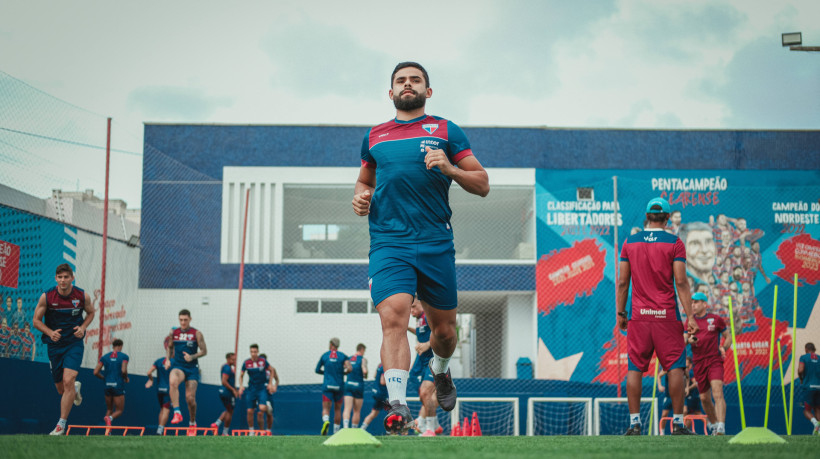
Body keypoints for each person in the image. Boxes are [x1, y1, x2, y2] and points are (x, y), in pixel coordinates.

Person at [352, 61, 489, 435]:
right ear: (391, 91)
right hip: (388, 241)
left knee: (444, 333)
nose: (407, 84)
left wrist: (451, 169)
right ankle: (397, 405)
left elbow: (482, 183)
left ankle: (441, 373)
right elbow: (365, 180)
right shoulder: (375, 136)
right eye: (401, 80)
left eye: (415, 80)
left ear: (428, 92)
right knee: (393, 317)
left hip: (434, 242)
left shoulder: (446, 130)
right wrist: (360, 198)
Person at [616, 197, 697, 436]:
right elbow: (681, 282)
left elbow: (622, 283)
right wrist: (690, 316)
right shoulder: (674, 242)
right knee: (675, 368)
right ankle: (679, 424)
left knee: (635, 367)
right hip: (667, 317)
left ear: (647, 216)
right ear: (668, 218)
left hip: (639, 318)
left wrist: (621, 313)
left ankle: (634, 424)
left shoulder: (630, 242)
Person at [32, 263, 95, 435]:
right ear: (55, 278)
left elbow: (91, 313)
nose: (63, 280)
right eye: (59, 277)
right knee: (62, 389)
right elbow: (36, 321)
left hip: (74, 343)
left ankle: (61, 424)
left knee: (68, 380)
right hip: (55, 346)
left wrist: (82, 328)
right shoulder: (47, 297)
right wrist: (50, 332)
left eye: (66, 277)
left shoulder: (82, 296)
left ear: (72, 278)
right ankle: (75, 388)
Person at [685, 292, 730, 435]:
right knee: (704, 398)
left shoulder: (715, 319)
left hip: (714, 360)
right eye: (692, 302)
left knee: (717, 392)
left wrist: (724, 347)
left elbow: (728, 336)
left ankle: (721, 426)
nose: (693, 304)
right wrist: (689, 340)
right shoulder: (689, 321)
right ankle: (715, 424)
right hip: (698, 363)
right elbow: (683, 339)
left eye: (696, 302)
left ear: (705, 304)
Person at [165, 309, 207, 435]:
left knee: (190, 398)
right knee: (173, 381)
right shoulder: (174, 333)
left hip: (192, 369)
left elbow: (204, 351)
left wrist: (192, 356)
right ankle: (177, 412)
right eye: (181, 320)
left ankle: (192, 423)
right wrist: (167, 360)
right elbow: (170, 347)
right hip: (178, 366)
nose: (183, 322)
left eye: (185, 320)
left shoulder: (197, 333)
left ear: (190, 319)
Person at [408, 296, 440, 436]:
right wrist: (407, 328)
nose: (411, 310)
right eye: (410, 308)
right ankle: (429, 422)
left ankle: (430, 429)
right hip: (421, 359)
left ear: (422, 304)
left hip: (434, 358)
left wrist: (427, 344)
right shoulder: (419, 319)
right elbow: (421, 331)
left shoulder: (429, 316)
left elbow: (439, 333)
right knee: (423, 392)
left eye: (414, 306)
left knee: (426, 393)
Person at [315, 337, 351, 435]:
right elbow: (349, 368)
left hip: (327, 386)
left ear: (331, 344)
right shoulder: (342, 356)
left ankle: (326, 420)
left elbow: (317, 370)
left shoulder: (325, 356)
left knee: (326, 408)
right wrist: (343, 373)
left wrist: (326, 372)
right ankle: (336, 432)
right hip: (339, 386)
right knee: (338, 409)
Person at [238, 344, 274, 435]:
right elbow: (241, 375)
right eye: (251, 352)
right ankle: (251, 431)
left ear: (258, 352)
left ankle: (266, 407)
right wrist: (241, 385)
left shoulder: (263, 361)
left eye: (255, 352)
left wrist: (270, 384)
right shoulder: (246, 363)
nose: (253, 353)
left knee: (261, 408)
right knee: (250, 411)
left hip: (261, 388)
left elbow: (272, 370)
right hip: (251, 389)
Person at [94, 338, 130, 427]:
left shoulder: (104, 357)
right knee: (119, 410)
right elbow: (124, 371)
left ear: (113, 346)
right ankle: (109, 418)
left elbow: (95, 372)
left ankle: (107, 431)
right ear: (121, 346)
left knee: (109, 409)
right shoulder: (124, 356)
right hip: (118, 385)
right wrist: (126, 378)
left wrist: (104, 378)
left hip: (107, 385)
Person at [679, 221, 717, 287]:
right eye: (695, 243)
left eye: (708, 242)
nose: (704, 250)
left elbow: (729, 297)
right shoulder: (678, 284)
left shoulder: (724, 282)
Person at [146, 347, 173, 435]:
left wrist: (151, 380)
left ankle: (159, 428)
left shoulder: (158, 361)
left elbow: (149, 372)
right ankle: (160, 429)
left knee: (162, 409)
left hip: (159, 389)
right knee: (166, 409)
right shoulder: (174, 362)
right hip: (168, 390)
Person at [342, 343, 368, 429]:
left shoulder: (348, 359)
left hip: (348, 384)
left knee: (347, 408)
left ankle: (345, 427)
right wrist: (366, 374)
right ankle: (354, 429)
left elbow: (344, 368)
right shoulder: (363, 359)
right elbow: (364, 371)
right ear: (362, 350)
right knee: (356, 411)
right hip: (358, 385)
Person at [211, 352, 238, 436]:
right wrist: (233, 390)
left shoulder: (226, 367)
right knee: (230, 411)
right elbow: (224, 381)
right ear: (228, 359)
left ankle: (217, 424)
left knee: (228, 410)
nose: (235, 361)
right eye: (233, 359)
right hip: (227, 392)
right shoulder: (227, 368)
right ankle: (223, 431)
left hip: (225, 392)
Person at [798, 342, 820, 435]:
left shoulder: (804, 357)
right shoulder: (819, 358)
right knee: (817, 409)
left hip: (808, 387)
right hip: (819, 387)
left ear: (806, 349)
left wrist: (801, 378)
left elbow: (800, 370)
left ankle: (815, 423)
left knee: (806, 410)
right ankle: (819, 431)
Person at [361, 363, 389, 432]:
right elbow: (382, 381)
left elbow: (375, 375)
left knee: (374, 413)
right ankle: (390, 431)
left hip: (377, 392)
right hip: (382, 394)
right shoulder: (386, 366)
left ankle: (362, 428)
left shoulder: (380, 365)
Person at [259, 353, 279, 434]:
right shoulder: (258, 370)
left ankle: (268, 430)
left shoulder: (271, 369)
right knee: (260, 412)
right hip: (260, 392)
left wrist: (275, 386)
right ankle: (261, 431)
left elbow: (277, 380)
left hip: (268, 393)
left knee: (269, 413)